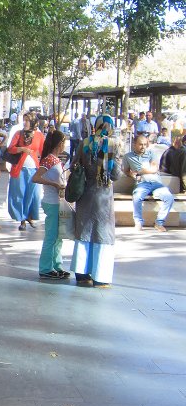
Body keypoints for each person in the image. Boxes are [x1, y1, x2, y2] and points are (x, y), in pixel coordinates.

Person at [70, 114, 121, 287]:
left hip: (85, 194)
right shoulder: (113, 145)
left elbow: (74, 164)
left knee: (84, 232)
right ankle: (100, 277)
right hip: (104, 197)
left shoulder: (85, 143)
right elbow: (116, 174)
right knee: (102, 234)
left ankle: (82, 274)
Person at [31, 130, 69, 280]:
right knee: (51, 236)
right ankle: (46, 267)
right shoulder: (49, 160)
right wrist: (54, 184)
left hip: (57, 202)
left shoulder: (55, 160)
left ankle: (56, 265)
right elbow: (36, 177)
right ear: (60, 144)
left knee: (58, 237)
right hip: (51, 202)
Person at [122, 133, 174, 232]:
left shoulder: (151, 153)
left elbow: (154, 169)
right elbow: (126, 170)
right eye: (141, 144)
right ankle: (138, 222)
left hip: (156, 183)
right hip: (142, 183)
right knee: (137, 197)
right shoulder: (127, 157)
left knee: (169, 197)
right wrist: (132, 175)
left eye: (145, 144)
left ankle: (159, 223)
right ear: (134, 144)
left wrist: (140, 171)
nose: (143, 147)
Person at [7, 113, 45, 230]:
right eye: (24, 120)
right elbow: (10, 149)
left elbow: (43, 151)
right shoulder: (19, 134)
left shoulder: (39, 135)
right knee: (19, 193)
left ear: (33, 122)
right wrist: (22, 149)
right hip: (20, 168)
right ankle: (22, 219)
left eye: (27, 120)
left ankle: (30, 216)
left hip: (34, 169)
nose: (25, 122)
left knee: (34, 194)